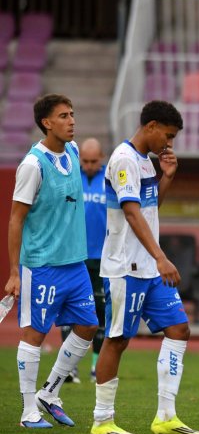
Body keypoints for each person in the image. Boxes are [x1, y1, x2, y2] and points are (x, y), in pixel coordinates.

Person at [92, 100, 199, 434]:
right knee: (118, 340)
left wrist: (166, 178)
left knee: (179, 329)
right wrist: (160, 257)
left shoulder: (144, 162)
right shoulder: (124, 159)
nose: (168, 144)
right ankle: (102, 420)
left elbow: (150, 207)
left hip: (149, 270)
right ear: (151, 125)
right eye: (167, 136)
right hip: (126, 266)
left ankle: (166, 417)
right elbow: (131, 213)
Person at [6, 94, 100, 429]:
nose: (72, 120)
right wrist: (14, 272)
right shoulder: (33, 165)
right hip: (42, 265)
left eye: (73, 114)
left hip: (75, 264)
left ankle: (50, 391)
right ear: (47, 123)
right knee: (35, 334)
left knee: (88, 325)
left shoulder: (74, 152)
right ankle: (28, 410)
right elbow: (16, 219)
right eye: (63, 115)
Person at [59, 137, 107, 385]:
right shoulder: (70, 177)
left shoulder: (110, 179)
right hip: (73, 255)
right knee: (69, 311)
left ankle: (95, 367)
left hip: (102, 259)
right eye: (85, 161)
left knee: (100, 313)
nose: (88, 165)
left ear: (101, 158)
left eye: (93, 161)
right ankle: (69, 369)